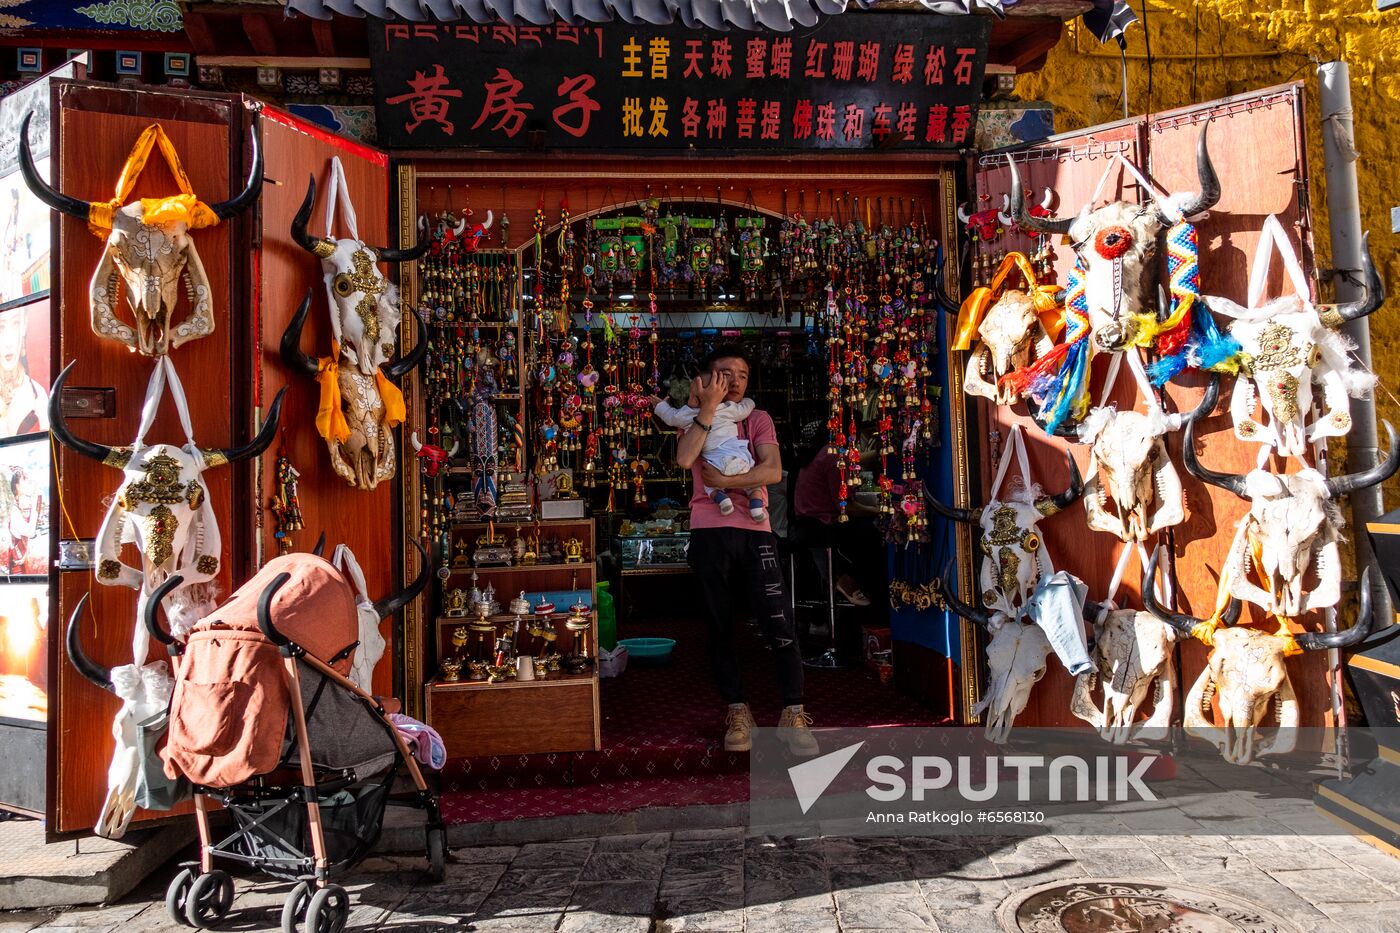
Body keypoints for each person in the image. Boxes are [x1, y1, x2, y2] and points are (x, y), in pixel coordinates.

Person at [674, 345, 817, 757]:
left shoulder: (757, 418)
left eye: (741, 374)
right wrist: (707, 409)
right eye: (724, 373)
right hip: (709, 530)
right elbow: (686, 460)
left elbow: (772, 472)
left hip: (756, 532)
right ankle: (738, 711)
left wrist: (727, 480)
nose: (734, 380)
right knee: (719, 626)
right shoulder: (693, 419)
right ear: (704, 380)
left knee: (779, 623)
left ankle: (794, 713)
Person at [792, 419, 886, 610]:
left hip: (807, 525)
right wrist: (880, 510)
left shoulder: (824, 452)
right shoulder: (834, 457)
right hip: (821, 526)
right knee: (874, 536)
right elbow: (846, 507)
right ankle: (870, 595)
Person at [653, 394, 768, 522]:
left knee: (710, 487)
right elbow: (743, 410)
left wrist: (660, 405)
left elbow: (670, 416)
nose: (688, 400)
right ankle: (756, 509)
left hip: (716, 464)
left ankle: (724, 501)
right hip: (739, 460)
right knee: (754, 487)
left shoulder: (686, 415)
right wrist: (749, 400)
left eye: (691, 396)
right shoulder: (724, 408)